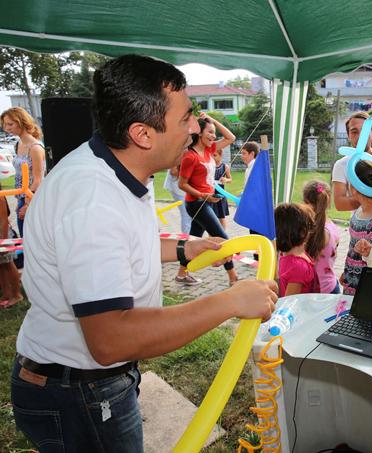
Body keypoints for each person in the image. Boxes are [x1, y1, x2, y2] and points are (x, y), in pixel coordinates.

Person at [11, 55, 278, 452]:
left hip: (89, 384)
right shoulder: (92, 198)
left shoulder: (124, 166)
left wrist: (186, 247)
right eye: (186, 117)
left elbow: (123, 247)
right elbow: (112, 339)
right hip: (78, 392)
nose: (194, 128)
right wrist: (229, 302)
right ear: (143, 133)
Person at [178, 113, 238, 285]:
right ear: (199, 133)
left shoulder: (209, 149)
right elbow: (182, 184)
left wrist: (212, 119)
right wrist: (202, 195)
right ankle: (233, 278)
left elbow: (230, 137)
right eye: (210, 132)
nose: (213, 136)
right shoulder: (190, 156)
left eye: (214, 133)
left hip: (207, 201)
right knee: (222, 238)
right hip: (197, 203)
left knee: (193, 238)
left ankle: (182, 274)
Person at [0, 107, 46, 245]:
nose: (7, 128)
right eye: (4, 124)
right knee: (26, 241)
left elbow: (38, 180)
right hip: (21, 196)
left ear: (21, 121)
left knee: (34, 242)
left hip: (34, 198)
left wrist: (27, 204)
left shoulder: (35, 147)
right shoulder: (18, 144)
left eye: (10, 124)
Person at [341, 160, 372, 295]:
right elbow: (352, 247)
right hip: (351, 278)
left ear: (353, 189)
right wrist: (346, 271)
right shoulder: (358, 211)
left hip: (370, 286)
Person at [331, 111, 372, 211]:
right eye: (354, 132)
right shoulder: (341, 165)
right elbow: (339, 204)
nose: (360, 136)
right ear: (348, 136)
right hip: (359, 224)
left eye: (364, 131)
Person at [163, 161, 199, 285]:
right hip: (179, 188)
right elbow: (173, 171)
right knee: (187, 217)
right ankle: (186, 242)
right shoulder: (184, 149)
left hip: (186, 187)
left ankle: (188, 244)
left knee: (191, 218)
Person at [302, 180, 341, 294]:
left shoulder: (306, 231)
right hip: (331, 287)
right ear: (327, 202)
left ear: (306, 202)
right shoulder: (332, 227)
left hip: (312, 292)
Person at [275, 203, 320, 297]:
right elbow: (289, 302)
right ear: (303, 232)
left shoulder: (294, 261)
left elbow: (288, 302)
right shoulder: (297, 265)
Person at [0, 180, 22, 309]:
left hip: (3, 235)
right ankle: (7, 293)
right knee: (1, 266)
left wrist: (3, 239)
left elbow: (3, 221)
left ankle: (16, 294)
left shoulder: (1, 197)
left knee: (8, 264)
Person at [211, 146, 232, 230]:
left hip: (220, 194)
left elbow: (230, 179)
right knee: (211, 217)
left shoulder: (225, 167)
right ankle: (211, 235)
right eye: (211, 155)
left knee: (221, 216)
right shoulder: (210, 166)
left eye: (214, 155)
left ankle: (223, 234)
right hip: (210, 194)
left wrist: (226, 179)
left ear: (220, 155)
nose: (212, 157)